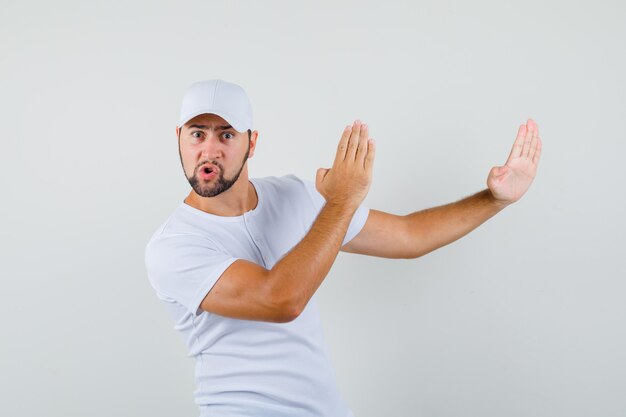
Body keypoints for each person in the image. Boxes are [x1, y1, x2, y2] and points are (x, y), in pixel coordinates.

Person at [144, 79, 542, 417]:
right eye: (197, 133)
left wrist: (493, 200)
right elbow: (281, 300)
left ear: (252, 143)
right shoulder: (174, 247)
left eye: (226, 135)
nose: (209, 151)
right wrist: (341, 201)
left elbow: (408, 236)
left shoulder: (292, 195)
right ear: (178, 138)